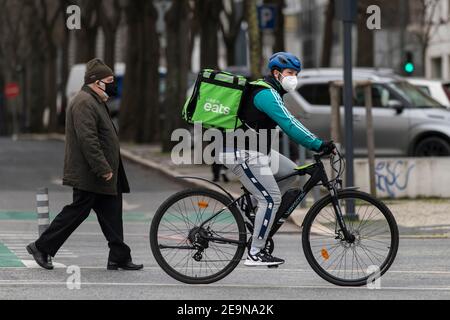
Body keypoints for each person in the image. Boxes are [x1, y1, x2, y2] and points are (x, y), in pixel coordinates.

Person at [218, 52, 336, 267]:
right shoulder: (266, 94)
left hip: (255, 150)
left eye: (297, 74)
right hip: (239, 151)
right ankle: (255, 252)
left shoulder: (272, 91)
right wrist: (317, 144)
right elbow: (289, 124)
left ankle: (250, 203)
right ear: (276, 73)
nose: (294, 78)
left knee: (291, 171)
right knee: (271, 198)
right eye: (290, 73)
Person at [26, 58, 143, 271]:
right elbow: (88, 140)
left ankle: (119, 256)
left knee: (112, 212)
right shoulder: (84, 102)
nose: (112, 84)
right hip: (91, 173)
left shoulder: (96, 101)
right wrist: (103, 168)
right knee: (77, 211)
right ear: (96, 82)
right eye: (109, 80)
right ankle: (41, 247)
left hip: (103, 172)